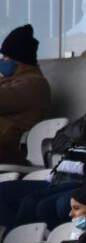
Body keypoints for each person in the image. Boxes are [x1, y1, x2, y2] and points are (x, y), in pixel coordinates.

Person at [0, 48, 86, 229]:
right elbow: (59, 141)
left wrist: (79, 135)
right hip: (58, 177)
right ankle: (13, 240)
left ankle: (31, 239)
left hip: (82, 179)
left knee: (36, 203)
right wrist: (80, 135)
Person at [0, 24, 50, 165]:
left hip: (7, 151)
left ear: (19, 61)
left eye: (5, 57)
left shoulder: (35, 84)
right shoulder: (12, 80)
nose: (2, 61)